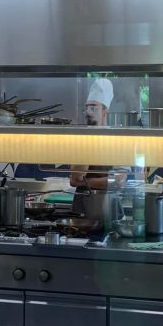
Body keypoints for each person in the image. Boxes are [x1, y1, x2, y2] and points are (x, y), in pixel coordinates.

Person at [70, 79, 127, 221]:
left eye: (93, 108)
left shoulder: (118, 141)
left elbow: (119, 181)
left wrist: (84, 182)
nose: (88, 112)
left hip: (108, 207)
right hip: (82, 210)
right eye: (86, 108)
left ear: (105, 110)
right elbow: (75, 179)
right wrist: (91, 139)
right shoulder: (82, 140)